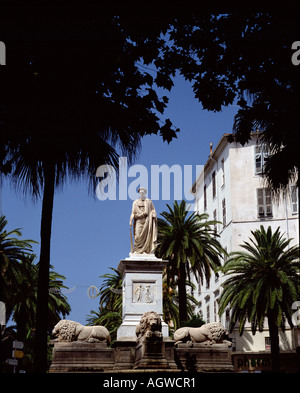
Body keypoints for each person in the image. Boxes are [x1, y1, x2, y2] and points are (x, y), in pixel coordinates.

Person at [129, 187, 157, 254]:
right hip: (138, 220)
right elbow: (133, 212)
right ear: (139, 193)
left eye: (142, 191)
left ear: (145, 192)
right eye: (140, 191)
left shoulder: (149, 201)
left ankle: (145, 250)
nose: (141, 192)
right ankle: (137, 250)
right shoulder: (135, 202)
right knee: (137, 235)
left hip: (147, 220)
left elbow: (153, 210)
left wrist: (154, 214)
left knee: (147, 235)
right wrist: (130, 220)